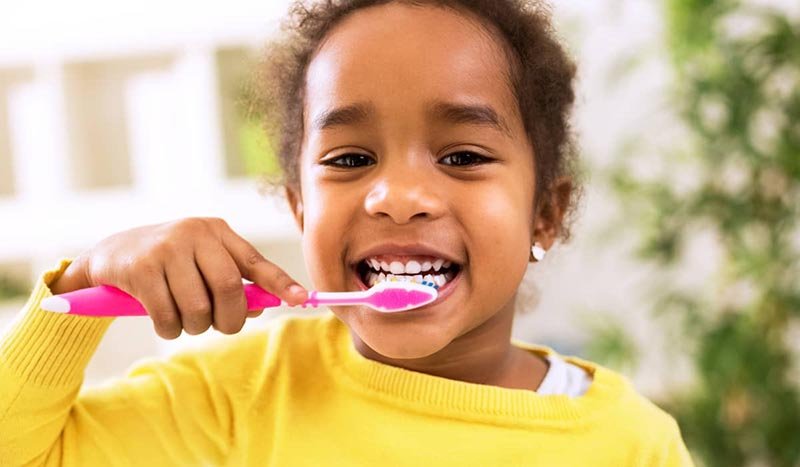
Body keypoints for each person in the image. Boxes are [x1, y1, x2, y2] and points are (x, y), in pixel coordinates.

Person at [0, 0, 694, 465]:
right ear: (301, 208)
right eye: (351, 159)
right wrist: (83, 284)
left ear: (545, 212)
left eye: (462, 157)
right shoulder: (234, 400)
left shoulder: (630, 443)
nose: (397, 197)